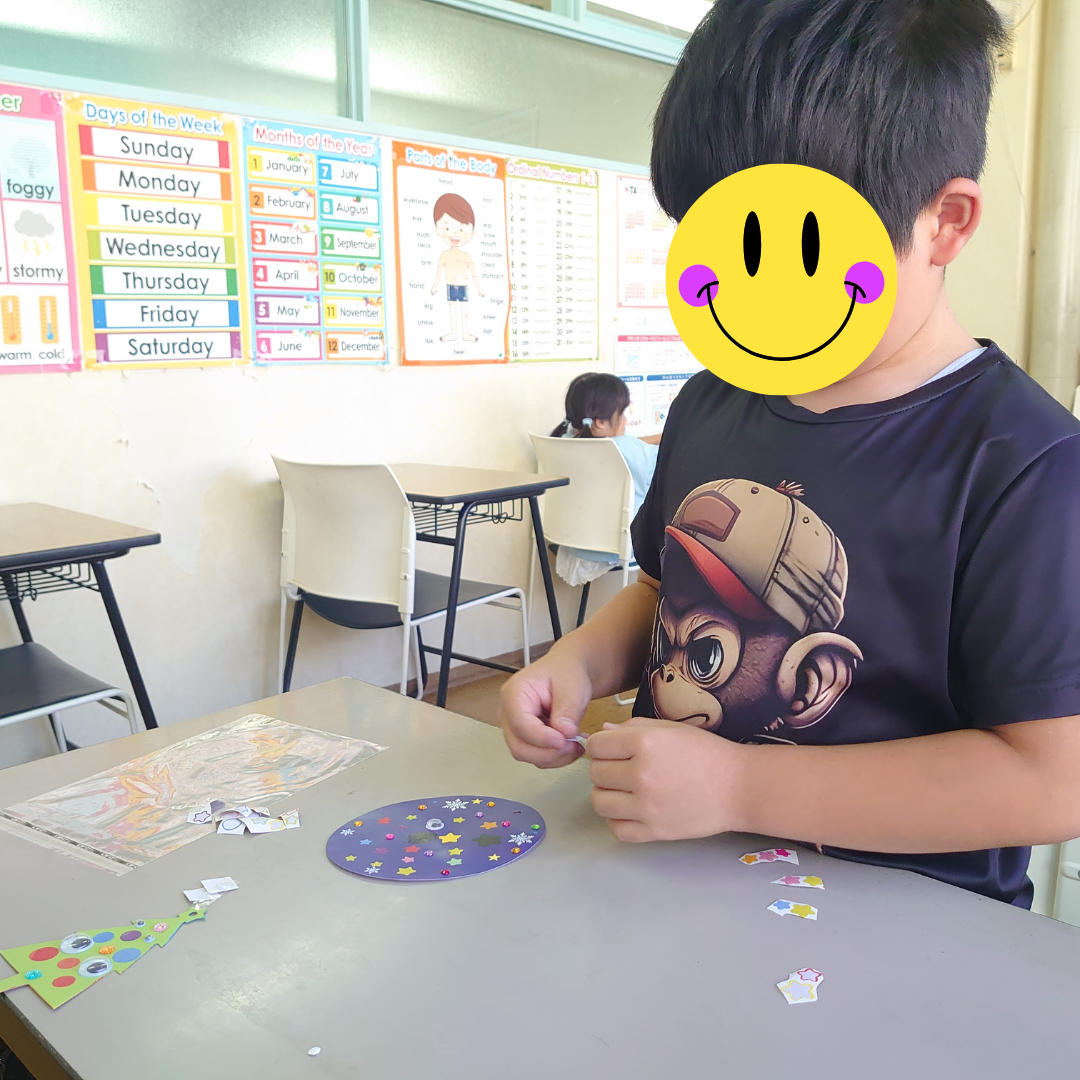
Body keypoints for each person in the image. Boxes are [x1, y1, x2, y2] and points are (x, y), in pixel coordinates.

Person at [500, 0, 1080, 907]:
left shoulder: (1026, 466)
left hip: (900, 937)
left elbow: (1051, 778)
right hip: (670, 888)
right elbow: (658, 592)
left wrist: (741, 787)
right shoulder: (710, 401)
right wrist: (575, 664)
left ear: (946, 221)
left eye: (797, 254)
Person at [549, 373, 661, 584]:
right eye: (622, 413)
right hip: (620, 548)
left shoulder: (564, 440)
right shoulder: (631, 451)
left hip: (570, 543)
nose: (626, 420)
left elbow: (622, 445)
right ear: (600, 422)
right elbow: (667, 459)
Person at [430, 193, 485, 342]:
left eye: (461, 229)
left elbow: (474, 273)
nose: (454, 233)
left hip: (463, 286)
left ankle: (465, 333)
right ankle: (453, 332)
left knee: (465, 311)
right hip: (451, 285)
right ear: (437, 229)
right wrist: (435, 285)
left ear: (472, 232)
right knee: (452, 310)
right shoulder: (444, 255)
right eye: (447, 227)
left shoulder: (466, 256)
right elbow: (439, 271)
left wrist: (479, 287)